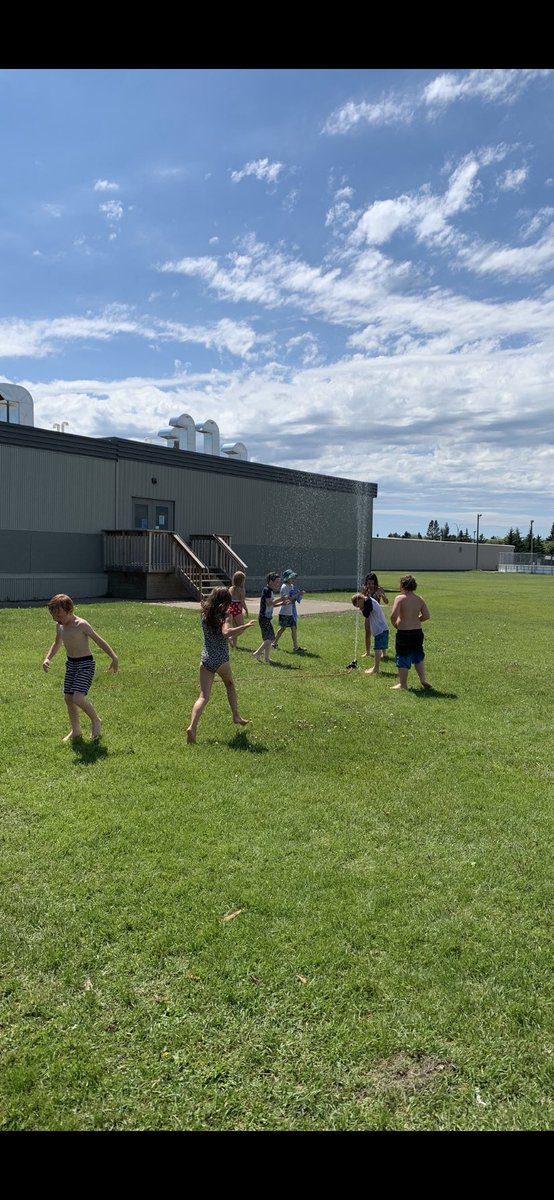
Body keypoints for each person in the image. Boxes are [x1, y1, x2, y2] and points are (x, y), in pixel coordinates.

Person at [42, 593, 118, 741]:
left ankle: (96, 720)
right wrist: (48, 658)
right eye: (54, 617)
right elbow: (57, 643)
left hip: (85, 665)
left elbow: (99, 640)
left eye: (59, 616)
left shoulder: (81, 625)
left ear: (70, 610)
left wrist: (113, 657)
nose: (56, 620)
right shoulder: (60, 626)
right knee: (68, 698)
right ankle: (76, 731)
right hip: (71, 665)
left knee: (77, 698)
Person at [186, 586, 255, 743]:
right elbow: (225, 632)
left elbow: (217, 634)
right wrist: (244, 626)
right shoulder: (225, 615)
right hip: (221, 659)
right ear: (226, 601)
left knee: (203, 696)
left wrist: (228, 638)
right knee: (229, 685)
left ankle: (192, 727)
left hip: (206, 659)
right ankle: (236, 715)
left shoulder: (205, 614)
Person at [389, 575, 431, 690]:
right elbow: (427, 615)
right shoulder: (419, 599)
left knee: (403, 655)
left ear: (402, 585)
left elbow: (393, 616)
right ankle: (423, 679)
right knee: (418, 654)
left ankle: (403, 684)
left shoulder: (400, 598)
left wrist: (396, 624)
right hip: (417, 632)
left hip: (404, 632)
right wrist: (417, 619)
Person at [252, 572, 289, 664]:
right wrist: (281, 599)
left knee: (267, 639)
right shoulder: (267, 590)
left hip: (266, 618)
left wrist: (281, 603)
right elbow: (269, 603)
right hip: (264, 617)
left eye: (279, 582)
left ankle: (267, 658)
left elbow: (270, 605)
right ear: (270, 581)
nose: (278, 584)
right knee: (271, 638)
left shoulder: (269, 590)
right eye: (276, 582)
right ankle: (257, 653)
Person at [351, 592, 389, 674]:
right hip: (382, 627)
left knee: (377, 648)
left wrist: (362, 608)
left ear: (361, 599)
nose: (359, 607)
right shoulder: (368, 600)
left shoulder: (368, 602)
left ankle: (376, 668)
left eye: (358, 604)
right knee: (380, 645)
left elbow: (366, 614)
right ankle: (384, 655)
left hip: (380, 628)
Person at [271, 569, 306, 653]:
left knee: (293, 628)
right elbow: (288, 598)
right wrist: (298, 594)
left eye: (294, 578)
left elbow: (292, 596)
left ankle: (296, 647)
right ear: (286, 578)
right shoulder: (285, 587)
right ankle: (274, 643)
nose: (294, 580)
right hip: (285, 612)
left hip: (290, 612)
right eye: (291, 578)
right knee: (282, 628)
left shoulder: (291, 586)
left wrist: (297, 594)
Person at [361, 572, 389, 658]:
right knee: (367, 633)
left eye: (372, 583)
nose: (370, 585)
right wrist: (363, 592)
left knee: (380, 633)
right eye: (369, 583)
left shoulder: (378, 590)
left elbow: (386, 601)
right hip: (369, 615)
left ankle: (384, 652)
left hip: (377, 616)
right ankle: (368, 652)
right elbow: (361, 600)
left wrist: (382, 595)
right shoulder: (365, 591)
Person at [227, 570, 249, 648]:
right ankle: (230, 638)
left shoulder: (231, 588)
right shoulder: (241, 589)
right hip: (237, 608)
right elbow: (242, 601)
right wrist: (246, 609)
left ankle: (234, 645)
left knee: (234, 628)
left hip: (230, 608)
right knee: (241, 628)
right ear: (241, 581)